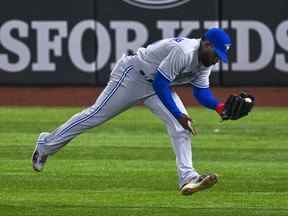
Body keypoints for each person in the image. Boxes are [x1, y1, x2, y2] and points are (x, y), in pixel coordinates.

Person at [32, 28, 232, 195]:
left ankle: (188, 178)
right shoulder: (184, 51)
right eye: (216, 55)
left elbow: (201, 91)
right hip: (132, 76)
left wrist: (218, 107)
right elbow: (161, 83)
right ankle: (45, 144)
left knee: (183, 128)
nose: (217, 60)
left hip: (156, 87)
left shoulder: (205, 61)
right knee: (93, 117)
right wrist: (177, 114)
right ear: (206, 44)